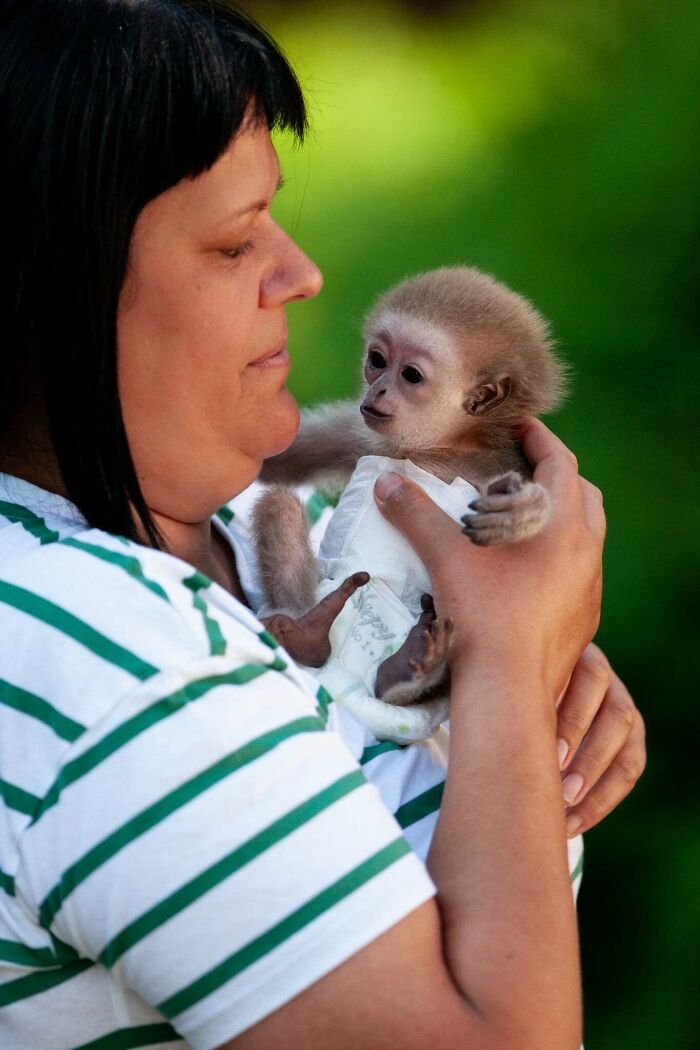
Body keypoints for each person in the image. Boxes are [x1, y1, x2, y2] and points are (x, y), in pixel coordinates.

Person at [0, 2, 646, 1048]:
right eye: (233, 240)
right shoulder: (96, 647)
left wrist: (498, 688)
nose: (302, 274)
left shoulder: (263, 529)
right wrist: (509, 679)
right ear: (57, 290)